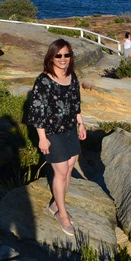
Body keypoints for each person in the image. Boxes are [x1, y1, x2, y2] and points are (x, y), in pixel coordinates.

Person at [27, 38, 87, 236]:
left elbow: (76, 103)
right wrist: (42, 138)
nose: (62, 59)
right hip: (52, 133)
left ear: (71, 56)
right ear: (51, 57)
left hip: (70, 129)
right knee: (60, 172)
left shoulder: (72, 76)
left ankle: (55, 204)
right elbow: (37, 110)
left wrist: (81, 123)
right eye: (58, 55)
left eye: (66, 55)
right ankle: (62, 214)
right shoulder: (43, 80)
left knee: (70, 168)